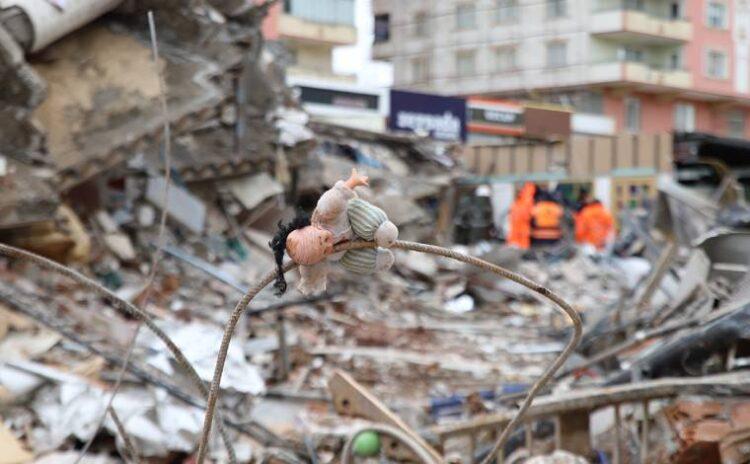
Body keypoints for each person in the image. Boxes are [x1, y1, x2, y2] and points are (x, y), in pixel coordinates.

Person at [507, 182, 535, 249]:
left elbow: (527, 216)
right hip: (516, 236)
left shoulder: (526, 199)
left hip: (521, 235)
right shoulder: (518, 202)